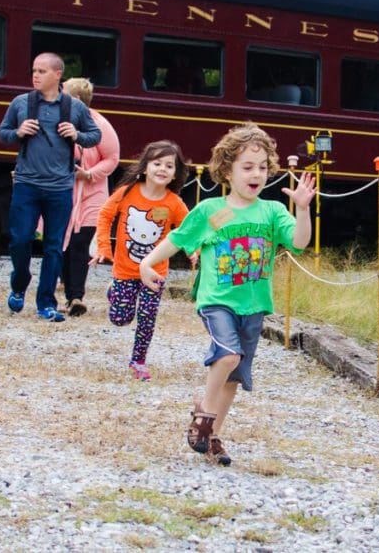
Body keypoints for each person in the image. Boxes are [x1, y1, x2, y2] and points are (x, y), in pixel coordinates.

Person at [139, 123, 315, 466]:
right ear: (227, 170)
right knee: (229, 354)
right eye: (247, 167)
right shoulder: (212, 211)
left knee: (233, 377)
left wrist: (304, 209)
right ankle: (203, 414)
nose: (257, 174)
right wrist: (148, 262)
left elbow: (299, 242)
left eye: (263, 167)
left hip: (254, 304)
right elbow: (179, 238)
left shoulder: (273, 212)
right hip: (216, 300)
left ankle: (214, 435)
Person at [0, 53, 101, 322]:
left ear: (58, 75)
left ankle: (46, 303)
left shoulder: (74, 108)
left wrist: (76, 135)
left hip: (60, 187)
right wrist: (18, 132)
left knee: (54, 246)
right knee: (20, 239)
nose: (35, 75)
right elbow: (3, 134)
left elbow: (95, 136)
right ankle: (19, 282)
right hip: (26, 184)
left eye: (42, 71)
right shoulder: (21, 103)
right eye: (34, 70)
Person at [93, 140, 189, 380]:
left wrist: (193, 250)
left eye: (169, 165)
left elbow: (188, 230)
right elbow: (105, 216)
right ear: (145, 167)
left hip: (155, 273)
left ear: (175, 173)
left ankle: (138, 360)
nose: (162, 169)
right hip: (124, 270)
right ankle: (112, 292)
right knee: (120, 319)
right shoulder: (127, 192)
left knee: (147, 316)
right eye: (157, 163)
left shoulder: (174, 203)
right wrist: (104, 248)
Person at [58, 77, 120, 317]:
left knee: (80, 244)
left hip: (92, 191)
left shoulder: (99, 124)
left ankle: (76, 297)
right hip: (63, 191)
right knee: (61, 244)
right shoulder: (57, 121)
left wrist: (89, 173)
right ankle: (67, 292)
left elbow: (112, 157)